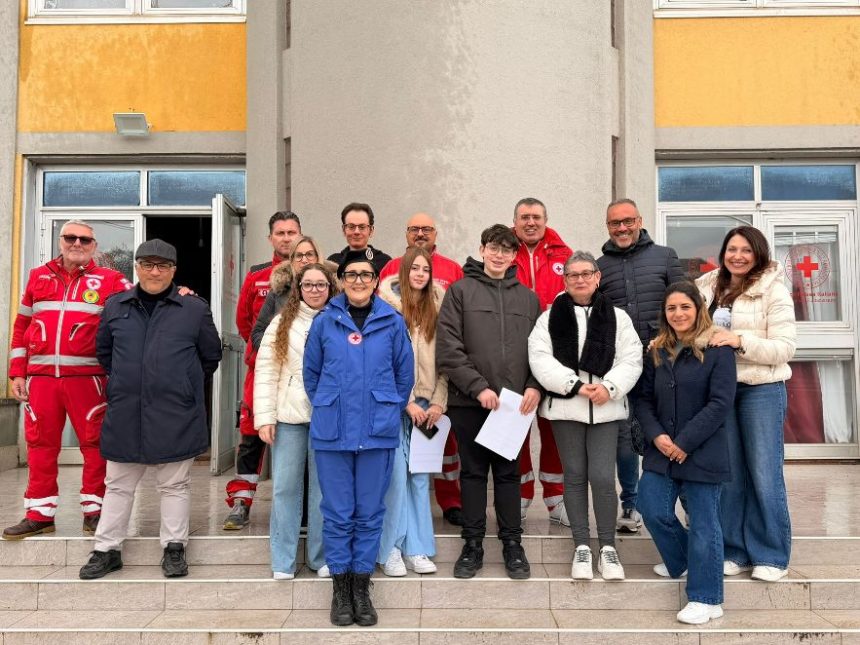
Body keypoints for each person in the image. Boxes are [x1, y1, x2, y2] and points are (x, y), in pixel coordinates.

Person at [79, 239, 222, 579]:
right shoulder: (116, 306)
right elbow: (105, 353)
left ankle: (174, 548)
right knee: (118, 483)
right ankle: (106, 550)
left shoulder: (194, 308)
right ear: (137, 268)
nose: (155, 272)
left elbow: (210, 355)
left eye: (163, 266)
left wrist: (179, 384)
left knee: (174, 484)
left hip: (175, 412)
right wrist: (130, 383)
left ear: (174, 270)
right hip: (126, 411)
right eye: (147, 265)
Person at [304, 250, 414, 627]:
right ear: (341, 280)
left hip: (377, 430)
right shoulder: (324, 322)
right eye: (351, 274)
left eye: (366, 275)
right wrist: (328, 403)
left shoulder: (392, 322)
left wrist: (387, 407)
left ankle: (362, 589)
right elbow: (311, 375)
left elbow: (404, 375)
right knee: (337, 513)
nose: (358, 281)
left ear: (375, 281)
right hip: (333, 431)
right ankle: (341, 589)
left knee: (369, 513)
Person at [5, 219, 133, 540]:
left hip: (89, 380)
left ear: (94, 246)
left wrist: (180, 293)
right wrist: (17, 371)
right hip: (41, 381)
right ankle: (39, 514)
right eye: (71, 237)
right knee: (40, 446)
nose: (77, 243)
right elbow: (21, 327)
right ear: (60, 241)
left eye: (84, 240)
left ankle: (95, 512)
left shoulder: (111, 280)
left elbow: (143, 303)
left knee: (96, 446)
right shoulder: (38, 276)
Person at [528, 250, 642, 581]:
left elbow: (631, 357)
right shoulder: (549, 317)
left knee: (603, 478)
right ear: (565, 280)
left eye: (586, 273)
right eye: (573, 275)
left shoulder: (618, 317)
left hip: (606, 408)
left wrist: (609, 386)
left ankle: (607, 547)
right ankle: (581, 545)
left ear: (597, 277)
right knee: (575, 475)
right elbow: (540, 357)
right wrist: (575, 385)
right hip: (567, 407)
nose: (580, 280)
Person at [436, 224, 541, 581]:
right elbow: (448, 348)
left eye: (506, 250)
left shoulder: (528, 299)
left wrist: (534, 386)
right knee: (473, 474)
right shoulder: (460, 291)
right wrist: (478, 388)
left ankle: (513, 544)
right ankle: (472, 545)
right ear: (481, 250)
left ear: (514, 256)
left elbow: (540, 351)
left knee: (509, 476)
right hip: (470, 403)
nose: (499, 255)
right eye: (493, 248)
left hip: (513, 407)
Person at [696, 225, 796, 582]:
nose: (737, 256)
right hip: (719, 392)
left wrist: (739, 340)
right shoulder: (706, 286)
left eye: (746, 250)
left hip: (760, 390)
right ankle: (734, 551)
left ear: (758, 254)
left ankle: (770, 554)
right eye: (732, 249)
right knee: (730, 475)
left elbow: (785, 348)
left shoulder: (774, 290)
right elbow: (692, 331)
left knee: (764, 474)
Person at [635, 281, 737, 625]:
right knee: (650, 506)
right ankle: (683, 561)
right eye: (671, 308)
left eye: (685, 307)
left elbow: (720, 403)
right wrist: (658, 436)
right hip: (662, 449)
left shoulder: (718, 348)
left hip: (703, 450)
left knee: (705, 524)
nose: (678, 314)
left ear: (698, 309)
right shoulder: (657, 350)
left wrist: (685, 442)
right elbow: (643, 400)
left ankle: (707, 598)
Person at [596, 198, 684, 534]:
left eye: (627, 221)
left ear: (640, 221)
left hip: (666, 363)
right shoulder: (600, 266)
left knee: (672, 432)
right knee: (626, 438)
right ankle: (631, 504)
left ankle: (685, 503)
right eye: (615, 223)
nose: (622, 228)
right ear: (608, 226)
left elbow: (684, 303)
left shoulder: (665, 256)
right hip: (622, 367)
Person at [379, 212, 465, 527]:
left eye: (426, 229)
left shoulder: (452, 269)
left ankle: (450, 501)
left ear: (435, 233)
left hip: (432, 387)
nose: (420, 233)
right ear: (406, 233)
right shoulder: (390, 269)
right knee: (399, 465)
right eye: (414, 228)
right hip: (400, 394)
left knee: (444, 447)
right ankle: (398, 525)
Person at [254, 263, 338, 580]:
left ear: (330, 288)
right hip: (289, 417)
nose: (315, 290)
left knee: (324, 490)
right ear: (299, 289)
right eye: (308, 284)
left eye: (321, 284)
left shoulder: (339, 320)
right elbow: (266, 372)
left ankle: (320, 557)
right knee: (285, 488)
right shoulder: (281, 322)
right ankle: (283, 559)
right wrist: (265, 417)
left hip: (327, 418)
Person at [224, 211, 302, 530]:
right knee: (251, 436)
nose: (286, 238)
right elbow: (245, 323)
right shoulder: (257, 276)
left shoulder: (312, 274)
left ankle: (300, 508)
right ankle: (241, 502)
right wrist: (266, 353)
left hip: (298, 374)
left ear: (300, 235)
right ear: (270, 238)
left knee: (299, 436)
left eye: (291, 232)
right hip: (262, 372)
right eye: (280, 233)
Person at [377, 246, 447, 577]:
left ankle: (418, 548)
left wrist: (438, 402)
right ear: (404, 272)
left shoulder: (439, 308)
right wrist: (404, 401)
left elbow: (446, 362)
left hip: (428, 406)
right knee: (393, 478)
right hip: (394, 405)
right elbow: (380, 361)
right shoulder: (385, 308)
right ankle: (391, 548)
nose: (420, 274)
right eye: (415, 268)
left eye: (425, 269)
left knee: (419, 479)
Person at [511, 197, 572, 527]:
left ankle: (555, 498)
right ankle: (519, 498)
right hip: (514, 359)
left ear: (545, 220)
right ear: (515, 221)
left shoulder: (564, 255)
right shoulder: (505, 251)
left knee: (554, 431)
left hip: (554, 360)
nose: (530, 222)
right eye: (524, 217)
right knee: (515, 430)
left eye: (536, 217)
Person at [251, 237, 329, 351]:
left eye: (309, 254)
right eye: (299, 255)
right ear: (292, 260)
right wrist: (277, 351)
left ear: (318, 257)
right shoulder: (279, 290)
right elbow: (258, 332)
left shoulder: (332, 290)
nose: (304, 260)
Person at [327, 202, 392, 275]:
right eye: (351, 226)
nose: (356, 232)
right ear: (344, 230)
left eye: (362, 227)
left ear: (371, 231)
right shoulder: (333, 262)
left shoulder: (385, 263)